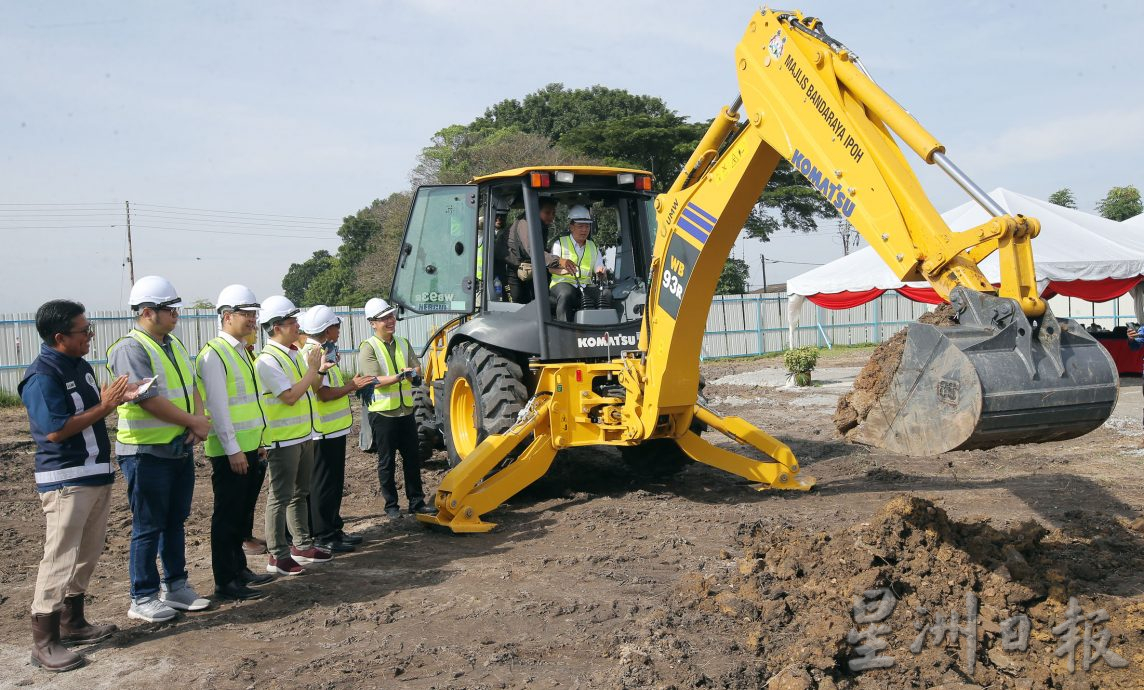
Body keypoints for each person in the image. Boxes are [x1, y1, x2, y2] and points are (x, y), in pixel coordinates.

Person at [20, 300, 132, 672]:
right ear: (59, 337)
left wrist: (113, 400)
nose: (90, 336)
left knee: (87, 552)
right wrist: (106, 406)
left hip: (93, 473)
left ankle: (73, 620)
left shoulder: (79, 365)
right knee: (59, 556)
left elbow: (90, 409)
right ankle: (45, 641)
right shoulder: (42, 376)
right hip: (65, 479)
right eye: (84, 331)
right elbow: (55, 429)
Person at [106, 276, 212, 623]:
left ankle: (176, 586)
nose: (176, 314)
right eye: (171, 309)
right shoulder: (131, 348)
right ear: (148, 312)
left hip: (177, 447)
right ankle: (142, 596)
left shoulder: (173, 344)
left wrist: (197, 418)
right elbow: (147, 400)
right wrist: (193, 423)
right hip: (145, 452)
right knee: (148, 524)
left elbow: (192, 385)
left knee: (174, 521)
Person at [197, 285, 274, 601]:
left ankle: (239, 570)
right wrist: (233, 450)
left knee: (242, 515)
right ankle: (225, 581)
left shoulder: (242, 351)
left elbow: (250, 402)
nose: (253, 319)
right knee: (227, 517)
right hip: (231, 452)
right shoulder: (214, 354)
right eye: (246, 314)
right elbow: (217, 407)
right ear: (226, 316)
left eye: (254, 313)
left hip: (249, 447)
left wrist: (258, 444)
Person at [255, 295, 333, 576]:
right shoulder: (267, 360)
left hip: (301, 435)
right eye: (292, 321)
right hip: (282, 439)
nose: (297, 326)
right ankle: (277, 554)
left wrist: (318, 370)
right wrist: (312, 370)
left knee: (300, 492)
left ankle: (302, 544)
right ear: (277, 326)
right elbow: (289, 396)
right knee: (280, 496)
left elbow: (309, 385)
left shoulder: (291, 354)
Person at [298, 306, 373, 552]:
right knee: (324, 484)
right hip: (323, 430)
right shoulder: (317, 353)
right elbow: (324, 393)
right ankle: (324, 534)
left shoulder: (318, 350)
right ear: (326, 329)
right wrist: (353, 385)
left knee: (329, 483)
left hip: (330, 429)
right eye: (336, 326)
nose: (339, 330)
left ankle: (331, 528)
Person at [358, 297, 435, 519]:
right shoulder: (368, 348)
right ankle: (391, 506)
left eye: (391, 316)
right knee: (387, 461)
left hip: (406, 411)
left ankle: (416, 502)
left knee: (412, 459)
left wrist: (414, 373)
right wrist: (401, 376)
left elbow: (417, 367)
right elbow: (373, 379)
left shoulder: (402, 342)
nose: (390, 321)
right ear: (373, 323)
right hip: (383, 414)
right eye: (384, 319)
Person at [505, 198, 575, 304]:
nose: (552, 217)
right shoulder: (525, 225)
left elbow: (541, 250)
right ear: (535, 210)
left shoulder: (541, 225)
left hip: (525, 265)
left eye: (553, 213)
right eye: (547, 213)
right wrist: (559, 261)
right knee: (517, 301)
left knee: (535, 299)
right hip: (508, 265)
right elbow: (534, 251)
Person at [549, 205, 607, 321]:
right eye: (580, 226)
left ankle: (604, 328)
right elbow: (551, 268)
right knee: (566, 294)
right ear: (571, 227)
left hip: (585, 286)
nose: (584, 230)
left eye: (587, 226)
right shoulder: (559, 244)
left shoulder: (593, 247)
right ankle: (564, 328)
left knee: (606, 294)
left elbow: (599, 266)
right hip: (562, 283)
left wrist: (601, 272)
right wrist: (567, 271)